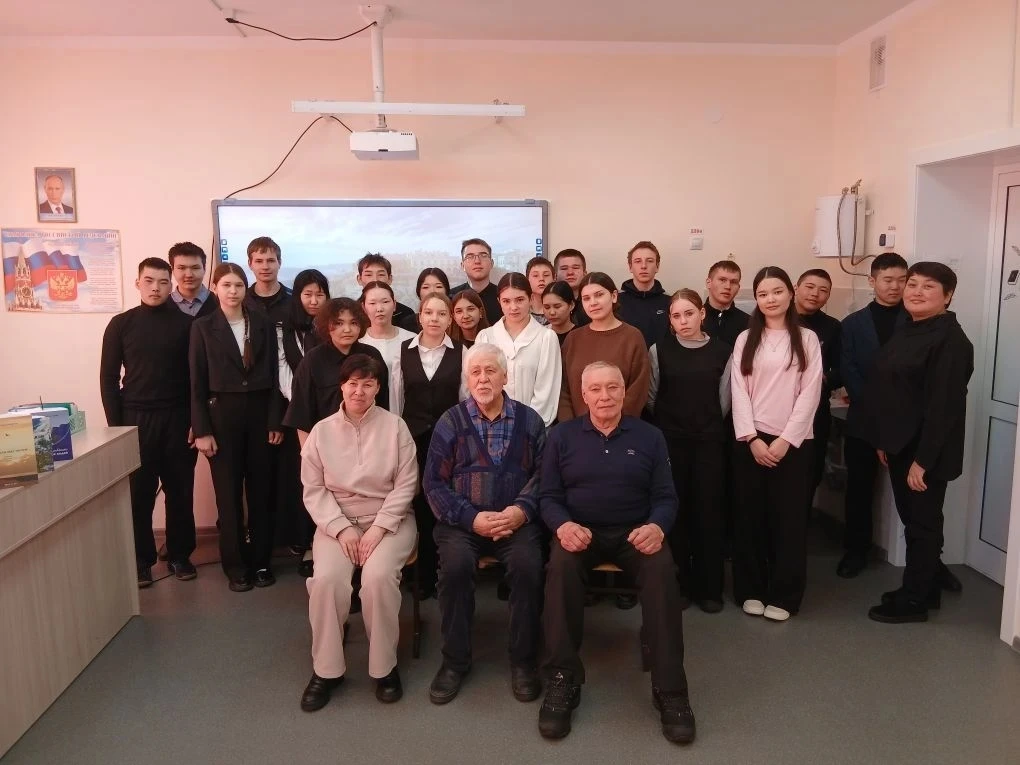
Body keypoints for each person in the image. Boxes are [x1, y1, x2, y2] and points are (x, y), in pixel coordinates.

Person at [538, 362, 695, 744]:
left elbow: (666, 497)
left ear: (624, 392)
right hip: (580, 531)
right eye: (595, 389)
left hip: (635, 533)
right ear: (583, 394)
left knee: (662, 572)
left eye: (612, 387)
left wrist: (657, 527)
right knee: (559, 569)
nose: (604, 396)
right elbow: (549, 496)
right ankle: (562, 679)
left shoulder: (650, 436)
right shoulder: (561, 436)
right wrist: (563, 526)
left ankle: (670, 688)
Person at [424, 343, 546, 706]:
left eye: (490, 370)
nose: (482, 379)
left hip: (515, 522)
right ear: (467, 379)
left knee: (528, 568)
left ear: (505, 376)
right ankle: (455, 661)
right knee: (456, 569)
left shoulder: (530, 421)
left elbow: (546, 477)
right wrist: (471, 518)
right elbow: (433, 484)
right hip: (463, 523)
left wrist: (521, 511)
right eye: (475, 372)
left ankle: (523, 661)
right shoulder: (450, 422)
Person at [299, 354, 418, 711]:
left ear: (378, 388)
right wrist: (341, 529)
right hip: (337, 523)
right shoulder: (321, 432)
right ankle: (327, 670)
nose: (359, 391)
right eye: (352, 383)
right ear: (342, 386)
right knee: (326, 582)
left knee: (378, 579)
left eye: (368, 384)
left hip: (390, 521)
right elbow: (313, 490)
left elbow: (406, 485)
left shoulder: (396, 427)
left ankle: (384, 668)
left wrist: (379, 528)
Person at [861, 262, 974, 624]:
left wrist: (922, 461)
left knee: (923, 526)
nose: (916, 291)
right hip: (900, 445)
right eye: (913, 284)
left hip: (925, 452)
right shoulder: (909, 328)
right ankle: (924, 587)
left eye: (928, 286)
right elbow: (894, 390)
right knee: (913, 521)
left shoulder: (951, 341)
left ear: (948, 296)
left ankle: (915, 602)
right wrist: (886, 441)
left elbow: (943, 408)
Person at [730, 266, 823, 621]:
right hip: (751, 441)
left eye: (777, 291)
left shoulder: (807, 339)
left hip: (793, 443)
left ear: (791, 293)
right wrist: (751, 438)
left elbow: (810, 393)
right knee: (749, 517)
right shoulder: (745, 339)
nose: (770, 299)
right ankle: (750, 589)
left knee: (790, 520)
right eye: (763, 294)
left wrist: (786, 440)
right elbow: (738, 391)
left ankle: (785, 595)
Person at [100, 257, 197, 588]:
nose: (156, 288)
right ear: (137, 283)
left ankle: (180, 555)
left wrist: (195, 421)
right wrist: (117, 428)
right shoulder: (121, 324)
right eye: (149, 281)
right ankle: (142, 561)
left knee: (180, 492)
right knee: (138, 494)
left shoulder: (188, 325)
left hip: (178, 419)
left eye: (163, 282)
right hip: (136, 419)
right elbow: (108, 379)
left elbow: (196, 380)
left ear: (172, 286)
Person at [190, 263, 284, 592]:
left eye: (239, 285)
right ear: (215, 288)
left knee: (261, 494)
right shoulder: (203, 327)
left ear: (246, 289)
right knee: (228, 498)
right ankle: (235, 566)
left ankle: (261, 562)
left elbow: (274, 375)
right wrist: (202, 430)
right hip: (221, 419)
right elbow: (196, 382)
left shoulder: (262, 323)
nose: (233, 291)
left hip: (260, 416)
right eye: (227, 285)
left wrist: (275, 420)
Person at [647, 289, 732, 613]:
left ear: (702, 313)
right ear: (670, 320)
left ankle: (709, 588)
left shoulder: (723, 351)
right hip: (670, 441)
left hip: (709, 441)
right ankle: (679, 585)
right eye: (676, 316)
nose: (683, 321)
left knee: (709, 513)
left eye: (689, 313)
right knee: (675, 513)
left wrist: (703, 425)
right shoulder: (659, 350)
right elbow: (651, 396)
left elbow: (725, 400)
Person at [837, 252, 909, 578]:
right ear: (872, 281)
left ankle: (927, 561)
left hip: (906, 423)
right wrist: (877, 410)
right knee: (859, 488)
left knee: (913, 493)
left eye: (901, 280)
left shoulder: (916, 321)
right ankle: (856, 550)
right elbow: (849, 370)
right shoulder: (852, 324)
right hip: (864, 421)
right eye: (888, 279)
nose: (895, 287)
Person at [396, 293, 463, 600]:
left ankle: (444, 574)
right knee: (419, 504)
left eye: (442, 313)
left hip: (450, 441)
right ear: (419, 316)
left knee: (445, 505)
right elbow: (397, 399)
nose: (435, 318)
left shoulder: (462, 352)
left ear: (450, 319)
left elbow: (465, 400)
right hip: (414, 439)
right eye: (429, 312)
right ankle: (420, 575)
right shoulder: (404, 351)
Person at [279, 269, 330, 576]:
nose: (314, 300)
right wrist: (302, 398)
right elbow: (283, 370)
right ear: (297, 296)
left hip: (331, 411)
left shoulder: (333, 328)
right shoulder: (285, 329)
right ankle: (308, 542)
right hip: (300, 414)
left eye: (320, 294)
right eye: (308, 294)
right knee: (307, 480)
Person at [284, 298, 389, 442]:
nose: (347, 329)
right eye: (339, 323)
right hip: (326, 442)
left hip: (369, 439)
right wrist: (308, 453)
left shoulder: (372, 355)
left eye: (354, 323)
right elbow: (301, 415)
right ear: (327, 325)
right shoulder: (313, 360)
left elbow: (383, 404)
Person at [558, 272, 650, 422]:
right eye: (586, 298)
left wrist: (613, 425)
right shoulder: (573, 339)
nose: (593, 302)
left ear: (613, 296)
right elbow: (562, 388)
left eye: (599, 295)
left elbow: (638, 390)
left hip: (621, 428)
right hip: (577, 429)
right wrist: (570, 426)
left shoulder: (632, 337)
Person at [474, 273, 562, 427]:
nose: (513, 307)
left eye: (520, 300)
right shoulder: (485, 337)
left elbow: (546, 391)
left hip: (533, 428)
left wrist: (527, 426)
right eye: (506, 301)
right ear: (499, 302)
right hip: (492, 426)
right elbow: (480, 385)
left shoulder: (546, 338)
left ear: (531, 299)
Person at [794, 268, 843, 507]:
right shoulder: (775, 318)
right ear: (796, 288)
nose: (815, 294)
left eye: (823, 290)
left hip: (815, 413)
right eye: (810, 287)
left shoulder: (833, 327)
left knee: (809, 476)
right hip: (777, 411)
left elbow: (842, 368)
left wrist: (822, 379)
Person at [358, 281, 416, 413]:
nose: (379, 308)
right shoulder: (359, 342)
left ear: (394, 305)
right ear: (364, 307)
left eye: (385, 302)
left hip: (407, 410)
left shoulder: (412, 340)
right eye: (372, 303)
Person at [617, 241, 671, 348]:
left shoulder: (669, 301)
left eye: (649, 261)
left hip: (660, 358)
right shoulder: (616, 300)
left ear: (657, 266)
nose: (643, 266)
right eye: (638, 261)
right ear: (630, 267)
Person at [357, 253, 419, 333]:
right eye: (368, 275)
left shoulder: (405, 313)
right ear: (359, 279)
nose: (375, 279)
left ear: (390, 279)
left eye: (381, 274)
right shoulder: (352, 312)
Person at [243, 236, 292, 326]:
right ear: (250, 264)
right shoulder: (242, 300)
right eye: (259, 261)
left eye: (270, 261)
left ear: (279, 263)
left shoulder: (294, 300)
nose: (265, 267)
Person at [450, 238, 502, 322]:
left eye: (483, 255)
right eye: (470, 256)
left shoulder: (503, 297)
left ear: (492, 263)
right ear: (462, 265)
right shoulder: (451, 297)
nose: (477, 261)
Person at [702, 259, 750, 347]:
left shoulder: (749, 323)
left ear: (738, 288)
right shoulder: (693, 318)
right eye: (722, 280)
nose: (728, 286)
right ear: (709, 283)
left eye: (733, 282)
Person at [168, 242, 218, 318]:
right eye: (181, 268)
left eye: (195, 268)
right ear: (173, 270)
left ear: (204, 269)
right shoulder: (162, 305)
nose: (189, 275)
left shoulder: (220, 302)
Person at [554, 248, 590, 327]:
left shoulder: (593, 303)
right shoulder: (549, 303)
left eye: (575, 268)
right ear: (555, 276)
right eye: (564, 268)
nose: (570, 272)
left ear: (585, 273)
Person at [542, 281, 577, 346]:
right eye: (547, 307)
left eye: (557, 306)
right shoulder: (540, 335)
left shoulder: (581, 335)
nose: (552, 312)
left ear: (571, 305)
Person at [525, 256, 555, 325]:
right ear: (527, 279)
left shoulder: (561, 310)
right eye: (535, 275)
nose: (541, 279)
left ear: (554, 279)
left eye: (546, 275)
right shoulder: (522, 310)